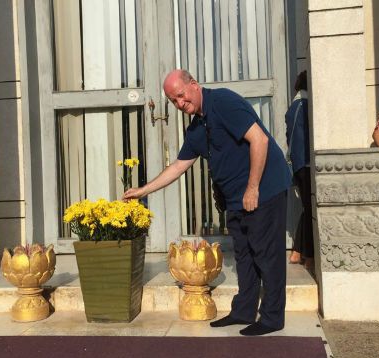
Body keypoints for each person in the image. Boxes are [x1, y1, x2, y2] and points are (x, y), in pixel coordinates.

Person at [123, 69, 291, 336]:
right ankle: (244, 311)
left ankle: (272, 317)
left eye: (180, 96)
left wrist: (253, 188)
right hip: (235, 199)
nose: (179, 104)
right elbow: (179, 166)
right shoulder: (197, 127)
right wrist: (143, 190)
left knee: (267, 256)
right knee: (244, 256)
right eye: (173, 101)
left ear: (194, 85)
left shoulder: (224, 102)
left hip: (264, 189)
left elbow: (259, 139)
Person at [285, 71, 313, 270]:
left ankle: (297, 251)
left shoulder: (294, 106)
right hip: (306, 163)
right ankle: (308, 255)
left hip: (299, 164)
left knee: (307, 208)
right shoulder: (305, 105)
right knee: (311, 209)